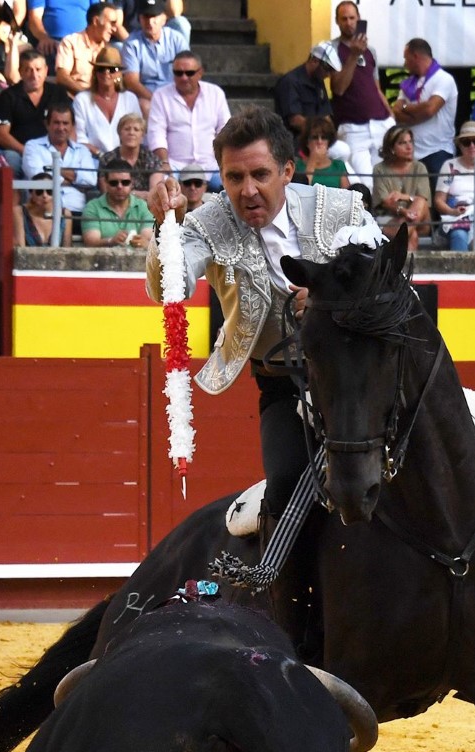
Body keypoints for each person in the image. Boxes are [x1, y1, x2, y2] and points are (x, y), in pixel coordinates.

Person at [144, 105, 372, 530]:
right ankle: (285, 594)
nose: (247, 190)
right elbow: (166, 289)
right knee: (285, 489)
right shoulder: (204, 224)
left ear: (287, 170)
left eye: (260, 175)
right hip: (282, 382)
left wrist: (332, 299)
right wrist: (167, 229)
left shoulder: (340, 208)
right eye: (234, 177)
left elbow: (385, 282)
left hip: (358, 377)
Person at [146, 51, 231, 189]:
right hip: (175, 166)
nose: (184, 77)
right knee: (160, 185)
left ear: (200, 72)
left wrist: (224, 160)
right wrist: (164, 162)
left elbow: (225, 129)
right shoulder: (161, 96)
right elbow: (157, 133)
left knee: (231, 185)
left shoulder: (215, 93)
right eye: (178, 73)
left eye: (189, 73)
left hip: (211, 165)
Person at [329, 2, 393, 183]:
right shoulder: (332, 48)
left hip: (381, 123)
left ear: (359, 19)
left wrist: (392, 117)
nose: (349, 23)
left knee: (385, 181)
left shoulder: (370, 50)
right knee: (364, 183)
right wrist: (353, 55)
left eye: (352, 18)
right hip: (353, 127)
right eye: (344, 19)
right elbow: (338, 88)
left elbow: (376, 88)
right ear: (337, 21)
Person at [392, 37, 458, 177]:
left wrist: (406, 107)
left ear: (415, 56)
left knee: (435, 197)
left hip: (437, 152)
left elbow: (429, 109)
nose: (405, 64)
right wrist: (415, 111)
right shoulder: (408, 84)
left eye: (406, 58)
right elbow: (395, 111)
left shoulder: (444, 79)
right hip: (411, 153)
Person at [21, 101, 99, 216]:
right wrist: (74, 178)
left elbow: (91, 180)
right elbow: (38, 177)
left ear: (73, 126)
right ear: (47, 124)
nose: (61, 128)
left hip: (76, 212)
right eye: (56, 123)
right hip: (43, 212)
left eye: (65, 123)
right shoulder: (33, 146)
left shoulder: (82, 150)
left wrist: (55, 170)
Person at [121, 1, 189, 118]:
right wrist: (157, 100)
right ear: (140, 19)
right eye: (146, 17)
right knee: (145, 106)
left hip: (175, 92)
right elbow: (132, 81)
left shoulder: (177, 39)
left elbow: (188, 72)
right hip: (147, 95)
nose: (150, 22)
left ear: (164, 18)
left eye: (154, 16)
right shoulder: (132, 44)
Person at [0, 48, 55, 169]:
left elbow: (70, 126)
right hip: (19, 152)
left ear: (46, 70)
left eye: (38, 70)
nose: (34, 75)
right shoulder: (8, 96)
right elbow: (1, 134)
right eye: (28, 70)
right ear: (20, 72)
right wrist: (27, 151)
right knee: (10, 159)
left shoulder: (57, 93)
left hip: (52, 151)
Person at [73, 45, 142, 154]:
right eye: (101, 69)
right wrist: (99, 154)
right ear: (95, 73)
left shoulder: (130, 99)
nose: (106, 73)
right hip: (91, 159)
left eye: (112, 69)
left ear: (119, 73)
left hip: (124, 160)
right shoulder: (81, 100)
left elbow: (138, 133)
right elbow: (79, 138)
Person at [371, 125, 431, 250]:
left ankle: (395, 236)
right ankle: (407, 268)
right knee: (411, 236)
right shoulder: (380, 169)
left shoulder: (419, 167)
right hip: (390, 218)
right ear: (392, 148)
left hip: (420, 219)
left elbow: (424, 199)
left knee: (420, 202)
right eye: (403, 143)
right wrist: (404, 211)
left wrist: (404, 197)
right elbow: (386, 202)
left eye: (410, 142)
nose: (409, 147)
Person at [81, 158, 154, 247]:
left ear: (132, 183)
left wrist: (143, 242)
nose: (119, 186)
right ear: (106, 183)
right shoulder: (92, 207)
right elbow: (90, 242)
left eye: (125, 182)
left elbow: (147, 238)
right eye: (114, 183)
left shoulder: (143, 206)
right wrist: (111, 241)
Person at [274, 42, 339, 142]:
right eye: (327, 69)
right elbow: (295, 120)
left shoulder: (318, 81)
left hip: (316, 138)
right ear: (314, 60)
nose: (328, 74)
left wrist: (330, 133)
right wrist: (319, 132)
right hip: (294, 140)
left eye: (331, 71)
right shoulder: (290, 81)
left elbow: (326, 114)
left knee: (343, 149)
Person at [56, 2, 118, 96]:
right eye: (111, 23)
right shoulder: (71, 42)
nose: (114, 29)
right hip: (74, 99)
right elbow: (62, 77)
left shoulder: (109, 50)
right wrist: (85, 96)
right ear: (96, 21)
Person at [99, 111, 166, 191]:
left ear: (142, 135)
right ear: (119, 133)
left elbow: (154, 194)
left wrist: (128, 194)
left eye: (136, 130)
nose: (131, 133)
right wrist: (140, 195)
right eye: (127, 129)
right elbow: (106, 192)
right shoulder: (107, 159)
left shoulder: (152, 159)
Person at [14, 174, 73, 245]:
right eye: (39, 191)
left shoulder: (64, 213)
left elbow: (67, 247)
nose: (45, 195)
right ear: (31, 193)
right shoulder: (20, 212)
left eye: (49, 191)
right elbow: (20, 247)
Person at [294, 116, 350, 189]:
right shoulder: (298, 166)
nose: (319, 141)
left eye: (324, 137)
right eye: (315, 137)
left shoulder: (338, 166)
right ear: (307, 142)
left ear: (329, 142)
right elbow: (301, 191)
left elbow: (346, 194)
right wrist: (312, 162)